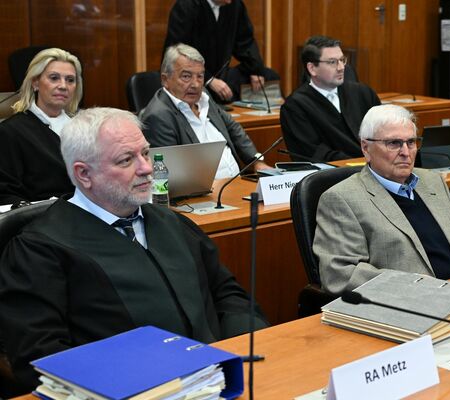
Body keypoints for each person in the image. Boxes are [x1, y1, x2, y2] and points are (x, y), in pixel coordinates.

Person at [0, 108, 268, 392]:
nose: (146, 168)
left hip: (220, 378)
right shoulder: (39, 250)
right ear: (84, 174)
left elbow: (227, 294)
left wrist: (244, 347)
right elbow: (41, 357)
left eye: (146, 153)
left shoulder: (173, 222)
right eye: (126, 159)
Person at [314, 105, 450, 295]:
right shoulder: (342, 199)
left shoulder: (432, 181)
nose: (405, 152)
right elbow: (341, 274)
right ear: (366, 148)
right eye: (394, 143)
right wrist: (418, 288)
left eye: (411, 142)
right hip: (414, 303)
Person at [140, 44, 267, 179]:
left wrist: (256, 161)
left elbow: (232, 127)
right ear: (165, 79)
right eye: (186, 76)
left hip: (237, 183)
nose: (195, 84)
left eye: (200, 76)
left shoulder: (204, 96)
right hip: (202, 194)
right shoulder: (158, 116)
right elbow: (170, 177)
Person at [0, 48, 81, 205]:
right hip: (46, 219)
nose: (63, 86)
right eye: (54, 78)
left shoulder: (87, 127)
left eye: (70, 80)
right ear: (35, 82)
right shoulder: (10, 132)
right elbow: (5, 193)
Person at [280, 35, 381, 162]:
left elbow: (383, 132)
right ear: (312, 68)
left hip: (375, 166)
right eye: (332, 62)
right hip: (333, 174)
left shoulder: (363, 93)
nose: (341, 67)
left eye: (342, 60)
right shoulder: (295, 106)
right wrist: (359, 163)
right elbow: (312, 152)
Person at [164, 0, 279, 103]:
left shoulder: (235, 5)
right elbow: (177, 54)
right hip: (192, 79)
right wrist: (209, 80)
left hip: (222, 76)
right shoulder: (186, 6)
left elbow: (245, 42)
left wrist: (255, 69)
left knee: (268, 76)